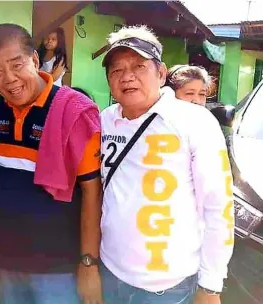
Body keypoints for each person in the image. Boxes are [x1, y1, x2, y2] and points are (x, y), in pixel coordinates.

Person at [99, 25, 234, 304]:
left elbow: (217, 207)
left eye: (139, 66)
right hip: (109, 273)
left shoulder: (194, 121)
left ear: (161, 74)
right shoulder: (104, 120)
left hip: (167, 287)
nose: (127, 77)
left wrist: (211, 286)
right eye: (116, 70)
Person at [0, 23, 103, 304]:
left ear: (35, 60)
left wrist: (88, 264)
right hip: (7, 263)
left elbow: (92, 193)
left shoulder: (73, 112)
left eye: (16, 64)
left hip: (58, 269)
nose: (9, 78)